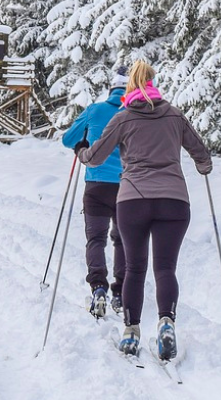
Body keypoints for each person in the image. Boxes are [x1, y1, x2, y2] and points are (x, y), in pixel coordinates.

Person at [74, 60, 212, 363]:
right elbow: (201, 154)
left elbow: (95, 157)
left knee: (136, 269)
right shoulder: (175, 115)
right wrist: (203, 167)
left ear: (130, 86)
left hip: (133, 200)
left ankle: (131, 332)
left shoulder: (123, 118)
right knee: (165, 269)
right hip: (174, 201)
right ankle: (166, 322)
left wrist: (81, 152)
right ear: (152, 83)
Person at [60, 66, 129, 319]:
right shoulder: (134, 113)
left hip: (96, 185)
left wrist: (83, 143)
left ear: (111, 90)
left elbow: (68, 140)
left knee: (96, 239)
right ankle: (120, 293)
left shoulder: (95, 110)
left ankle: (98, 287)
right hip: (127, 187)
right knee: (122, 240)